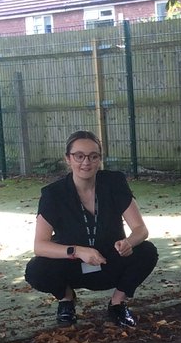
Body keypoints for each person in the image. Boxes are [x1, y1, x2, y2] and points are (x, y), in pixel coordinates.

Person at [25, 131, 158, 327]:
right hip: (73, 266)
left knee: (147, 251)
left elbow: (140, 229)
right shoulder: (53, 194)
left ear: (99, 160)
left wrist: (129, 242)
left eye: (93, 156)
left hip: (110, 261)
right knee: (36, 270)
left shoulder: (114, 182)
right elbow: (40, 246)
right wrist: (77, 251)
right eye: (79, 156)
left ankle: (117, 303)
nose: (86, 162)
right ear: (68, 159)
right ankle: (66, 299)